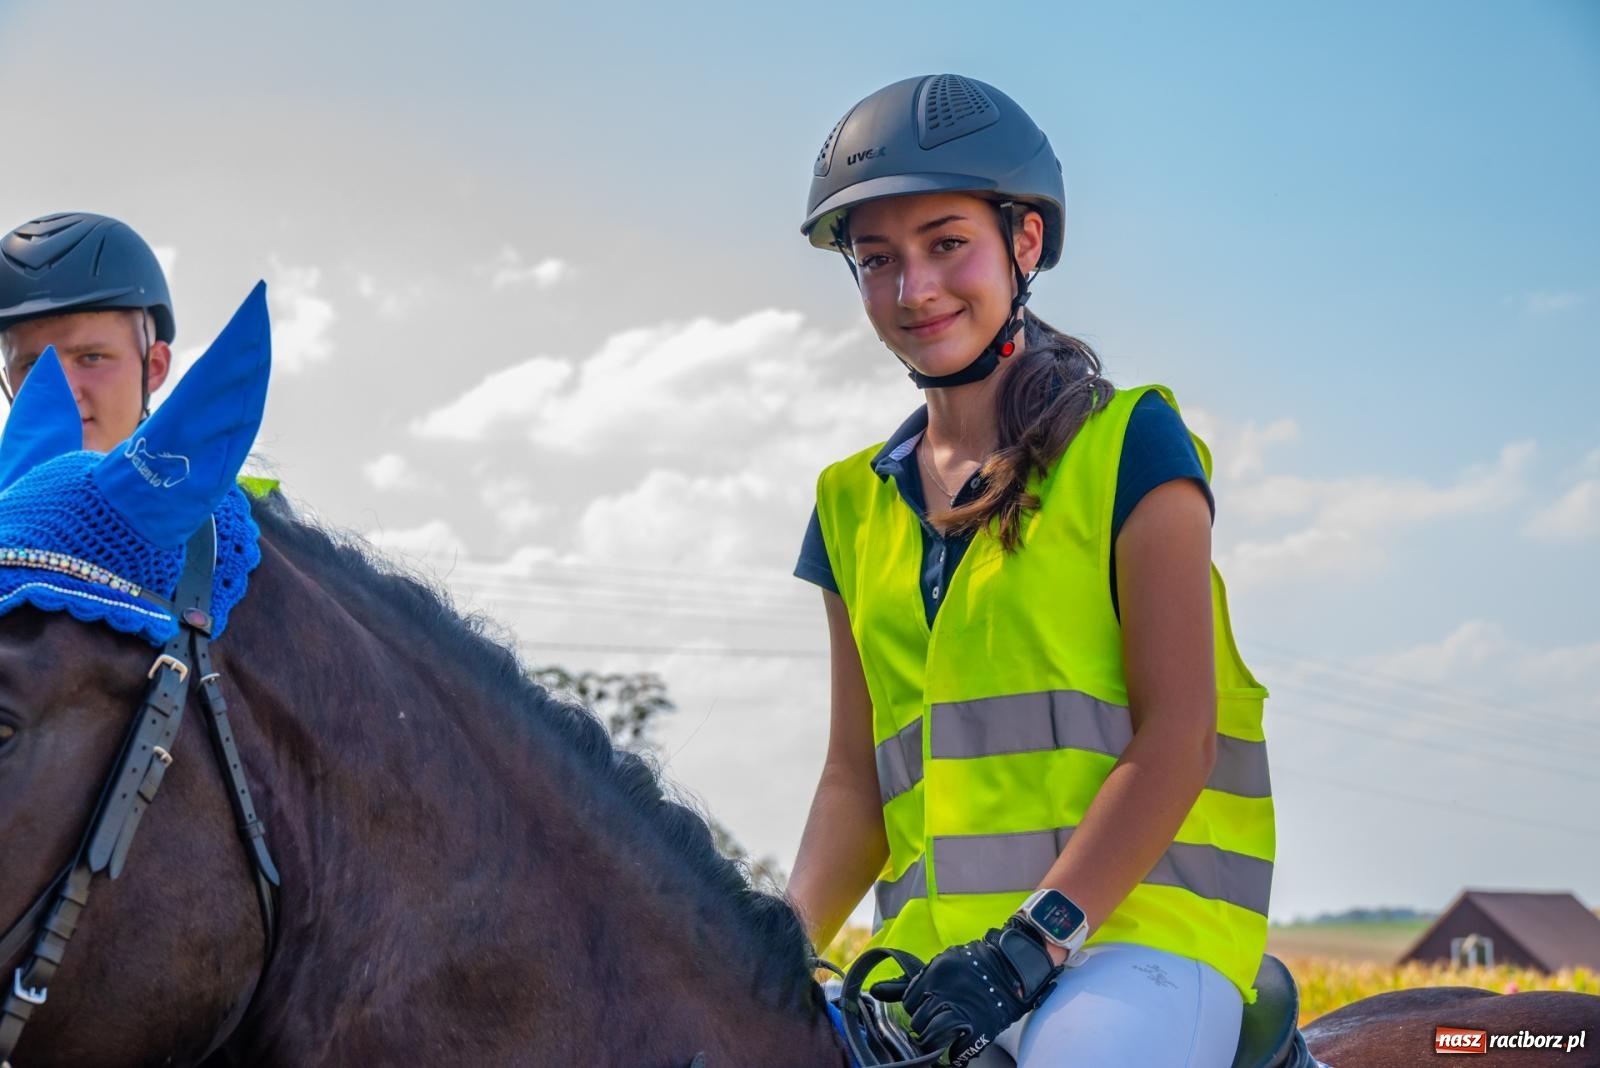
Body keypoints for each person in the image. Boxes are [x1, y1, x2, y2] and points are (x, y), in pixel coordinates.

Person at [787, 74, 1275, 1067]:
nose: (913, 289)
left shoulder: (1133, 443)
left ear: (1025, 243)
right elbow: (852, 781)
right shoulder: (848, 503)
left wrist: (1033, 941)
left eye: (945, 243)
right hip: (933, 968)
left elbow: (1179, 736)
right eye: (876, 260)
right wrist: (771, 943)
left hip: (1130, 951)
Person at [0, 211, 175, 452]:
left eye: (91, 357)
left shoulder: (213, 486)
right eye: (33, 366)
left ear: (154, 368)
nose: (63, 393)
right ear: (9, 384)